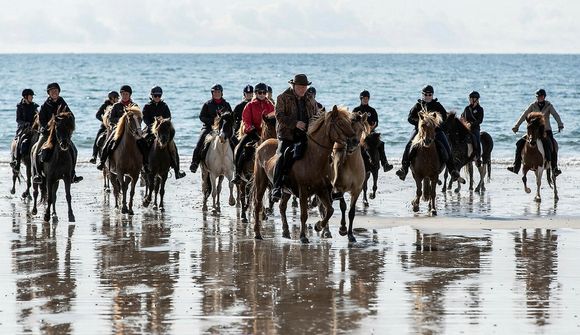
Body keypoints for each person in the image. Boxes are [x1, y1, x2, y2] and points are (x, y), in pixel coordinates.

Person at [395, 85, 461, 181]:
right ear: (423, 95)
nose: (428, 96)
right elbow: (409, 118)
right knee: (408, 145)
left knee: (446, 146)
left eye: (430, 94)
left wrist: (436, 125)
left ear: (432, 95)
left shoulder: (437, 105)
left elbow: (444, 118)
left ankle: (452, 171)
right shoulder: (418, 105)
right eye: (426, 94)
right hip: (420, 131)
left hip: (436, 131)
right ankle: (404, 169)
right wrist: (420, 124)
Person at [271, 74, 319, 202]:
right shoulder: (282, 97)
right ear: (293, 86)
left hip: (306, 134)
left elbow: (316, 115)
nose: (302, 89)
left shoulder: (310, 98)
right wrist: (295, 123)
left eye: (304, 87)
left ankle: (328, 185)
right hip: (287, 135)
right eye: (300, 87)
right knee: (281, 155)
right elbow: (279, 116)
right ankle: (277, 187)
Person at [33, 82, 83, 184]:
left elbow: (71, 117)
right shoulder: (44, 106)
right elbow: (41, 121)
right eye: (52, 91)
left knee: (74, 150)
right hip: (47, 134)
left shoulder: (63, 103)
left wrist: (68, 124)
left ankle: (73, 174)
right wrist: (47, 126)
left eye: (56, 91)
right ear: (49, 93)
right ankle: (38, 174)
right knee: (36, 150)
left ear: (59, 92)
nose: (54, 92)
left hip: (60, 135)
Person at [507, 88, 564, 176]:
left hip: (546, 130)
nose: (539, 98)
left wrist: (560, 124)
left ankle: (554, 168)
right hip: (534, 131)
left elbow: (555, 115)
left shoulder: (549, 105)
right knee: (519, 143)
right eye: (537, 97)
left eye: (540, 96)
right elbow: (524, 115)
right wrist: (516, 126)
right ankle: (516, 167)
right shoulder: (533, 105)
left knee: (552, 146)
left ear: (544, 97)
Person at [231, 83, 275, 184]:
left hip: (267, 134)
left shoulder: (270, 105)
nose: (262, 94)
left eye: (264, 92)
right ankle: (237, 173)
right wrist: (251, 129)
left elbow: (274, 119)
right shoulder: (249, 105)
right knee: (240, 147)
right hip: (253, 132)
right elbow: (246, 120)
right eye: (260, 92)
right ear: (256, 93)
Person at [96, 85, 147, 172]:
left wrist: (136, 127)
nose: (124, 96)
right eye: (123, 94)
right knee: (109, 142)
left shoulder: (135, 105)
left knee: (143, 143)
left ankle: (145, 164)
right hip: (118, 130)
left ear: (130, 95)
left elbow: (139, 118)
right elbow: (111, 119)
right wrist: (122, 121)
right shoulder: (116, 106)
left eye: (126, 94)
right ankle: (102, 161)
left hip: (132, 130)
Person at [141, 86, 186, 179]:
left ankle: (177, 171)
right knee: (142, 143)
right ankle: (143, 167)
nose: (157, 97)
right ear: (152, 96)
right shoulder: (147, 106)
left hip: (163, 132)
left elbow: (168, 117)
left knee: (173, 147)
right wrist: (154, 126)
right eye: (155, 95)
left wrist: (162, 125)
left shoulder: (164, 106)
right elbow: (145, 118)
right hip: (150, 130)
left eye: (159, 95)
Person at [189, 84, 234, 173]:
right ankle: (195, 163)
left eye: (218, 92)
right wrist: (213, 121)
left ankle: (236, 163)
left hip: (223, 129)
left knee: (235, 141)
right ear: (212, 93)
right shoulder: (207, 104)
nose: (217, 93)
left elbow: (230, 118)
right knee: (200, 142)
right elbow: (201, 117)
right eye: (215, 92)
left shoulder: (226, 104)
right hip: (209, 128)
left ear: (222, 93)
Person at [352, 90, 393, 172]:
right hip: (359, 133)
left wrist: (371, 127)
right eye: (363, 98)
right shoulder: (356, 110)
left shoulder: (372, 110)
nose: (365, 100)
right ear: (360, 99)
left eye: (367, 98)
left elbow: (376, 123)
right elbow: (352, 122)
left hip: (371, 133)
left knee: (381, 144)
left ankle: (385, 164)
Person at [11, 88, 39, 171]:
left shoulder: (34, 106)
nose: (32, 98)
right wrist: (25, 123)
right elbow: (18, 120)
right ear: (26, 96)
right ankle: (17, 161)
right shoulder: (20, 106)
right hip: (23, 128)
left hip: (33, 128)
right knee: (20, 140)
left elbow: (37, 116)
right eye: (31, 96)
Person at [89, 91, 119, 164]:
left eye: (118, 98)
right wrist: (105, 121)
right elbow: (97, 115)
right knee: (97, 138)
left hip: (117, 126)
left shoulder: (118, 105)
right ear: (112, 98)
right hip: (105, 126)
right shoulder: (105, 105)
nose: (118, 99)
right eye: (116, 98)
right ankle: (94, 156)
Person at [460, 91, 484, 167]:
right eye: (469, 98)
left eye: (471, 98)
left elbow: (480, 120)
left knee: (476, 139)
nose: (469, 100)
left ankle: (478, 158)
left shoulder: (480, 109)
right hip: (466, 129)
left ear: (475, 99)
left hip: (475, 129)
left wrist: (472, 124)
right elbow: (462, 116)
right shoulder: (467, 108)